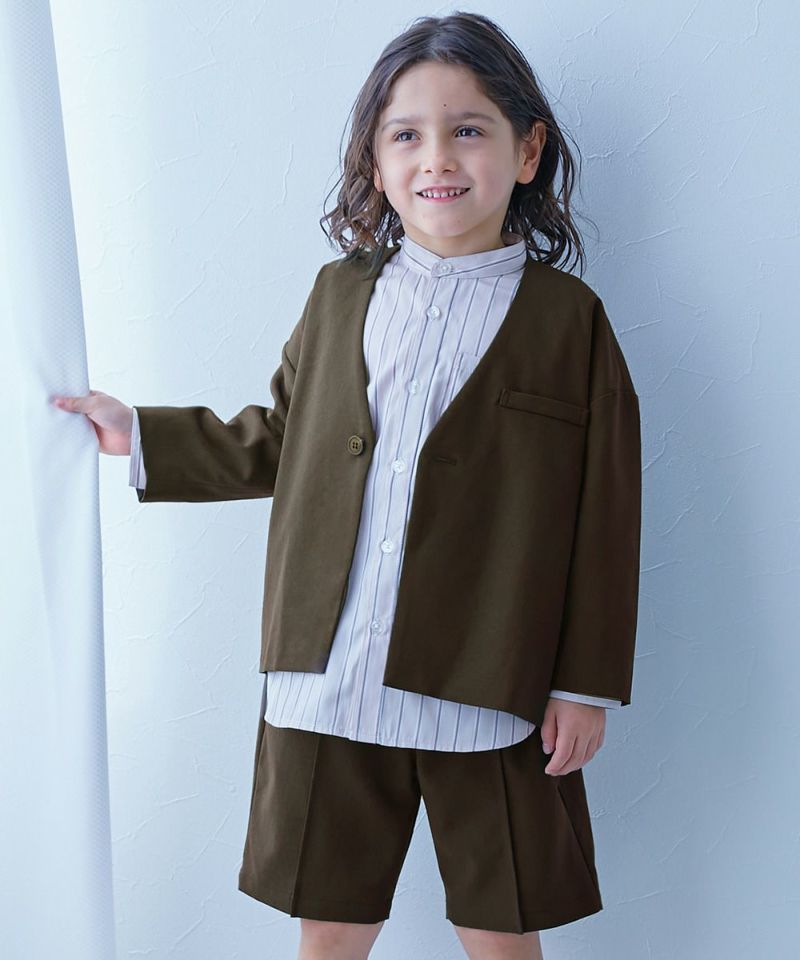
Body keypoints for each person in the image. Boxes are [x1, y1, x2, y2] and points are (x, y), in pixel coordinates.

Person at [52, 11, 642, 960]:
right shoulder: (340, 294)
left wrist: (583, 684)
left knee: (501, 929)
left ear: (528, 151)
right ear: (375, 159)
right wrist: (144, 435)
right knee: (329, 928)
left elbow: (605, 515)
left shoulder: (570, 322)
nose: (436, 157)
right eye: (406, 134)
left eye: (469, 129)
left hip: (493, 682)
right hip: (331, 675)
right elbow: (283, 438)